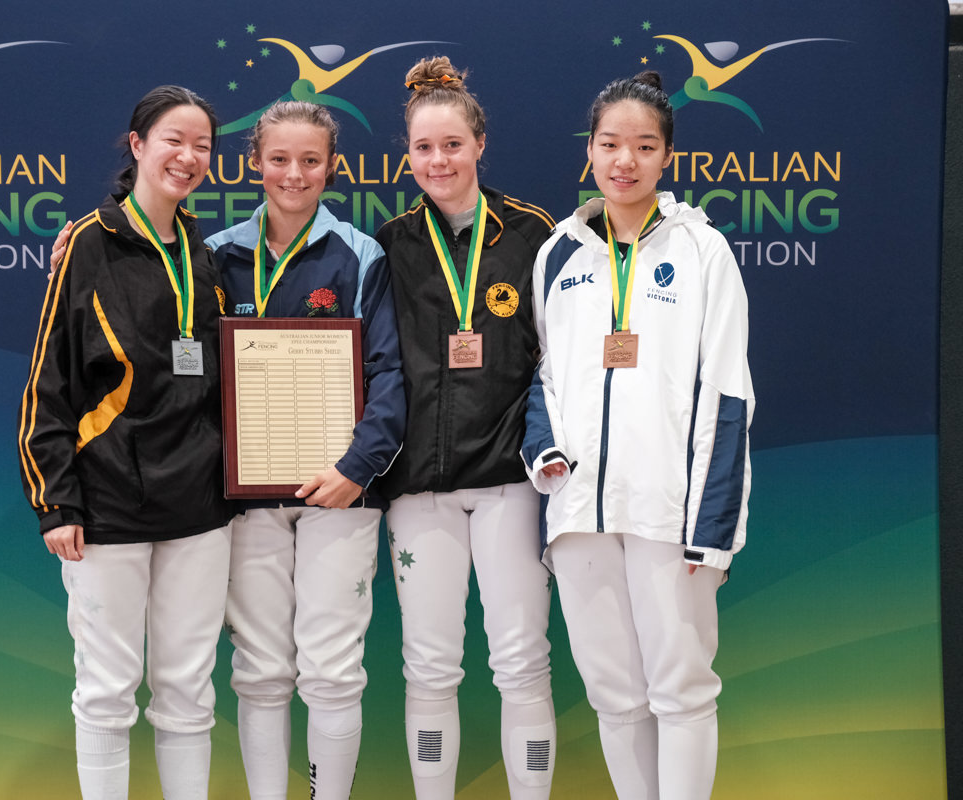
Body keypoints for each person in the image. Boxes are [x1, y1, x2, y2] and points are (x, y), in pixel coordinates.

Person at [522, 71, 754, 800]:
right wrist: (545, 455)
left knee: (682, 690)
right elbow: (542, 376)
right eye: (611, 144)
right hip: (580, 510)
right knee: (614, 695)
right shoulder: (558, 253)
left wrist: (710, 528)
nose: (625, 160)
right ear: (589, 150)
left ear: (667, 157)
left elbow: (728, 393)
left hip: (668, 514)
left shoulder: (701, 250)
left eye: (644, 146)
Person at [16, 85, 235, 800]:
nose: (189, 156)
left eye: (202, 145)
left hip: (200, 510)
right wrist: (56, 501)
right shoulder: (85, 244)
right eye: (174, 139)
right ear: (138, 145)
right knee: (108, 690)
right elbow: (49, 378)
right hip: (107, 504)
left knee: (188, 690)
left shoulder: (205, 254)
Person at [205, 100, 405, 800]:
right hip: (246, 497)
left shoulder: (361, 254)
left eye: (311, 160)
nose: (295, 174)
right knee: (259, 669)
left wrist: (356, 469)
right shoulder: (215, 256)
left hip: (340, 493)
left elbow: (389, 373)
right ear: (254, 162)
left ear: (332, 166)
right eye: (280, 159)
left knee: (332, 669)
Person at [374, 56, 557, 800]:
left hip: (511, 482)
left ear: (480, 143)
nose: (438, 160)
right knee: (429, 664)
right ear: (407, 155)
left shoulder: (533, 233)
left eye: (452, 144)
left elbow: (557, 359)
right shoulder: (388, 244)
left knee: (521, 660)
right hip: (418, 488)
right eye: (423, 148)